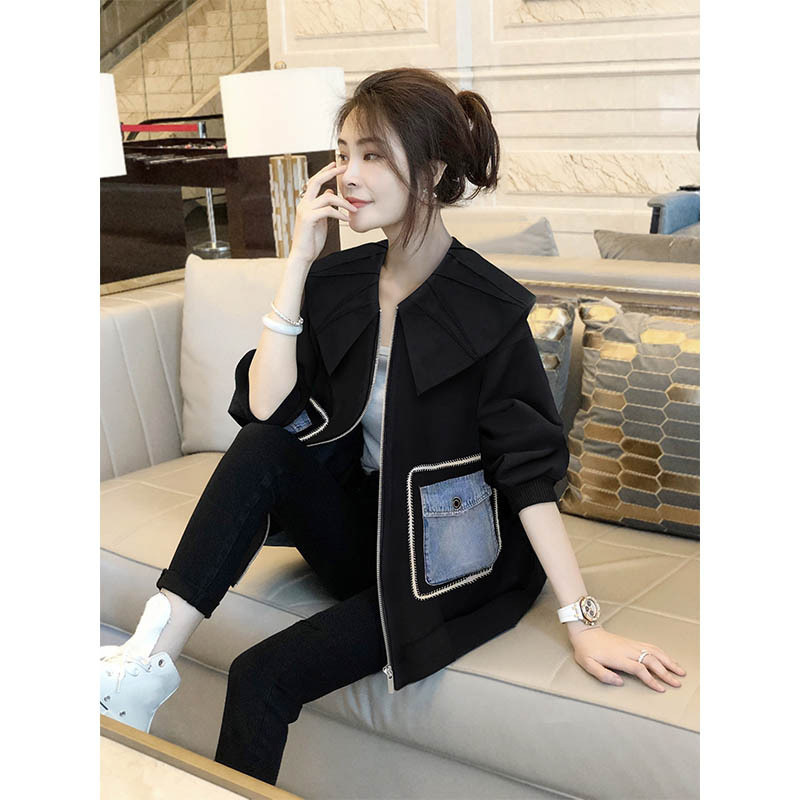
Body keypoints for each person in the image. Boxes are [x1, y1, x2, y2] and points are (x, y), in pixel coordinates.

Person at [100, 67, 686, 785]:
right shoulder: (339, 282)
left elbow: (529, 477)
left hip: (451, 562)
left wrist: (584, 621)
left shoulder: (488, 308)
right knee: (262, 445)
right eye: (343, 153)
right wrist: (299, 261)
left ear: (431, 172)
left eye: (373, 154)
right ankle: (145, 664)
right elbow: (266, 411)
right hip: (361, 535)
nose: (348, 174)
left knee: (261, 675)